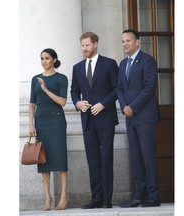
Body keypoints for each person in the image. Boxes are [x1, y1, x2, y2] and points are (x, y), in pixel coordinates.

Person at [70, 32, 119, 209]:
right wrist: (77, 102)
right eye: (82, 45)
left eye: (87, 45)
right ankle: (96, 198)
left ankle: (107, 199)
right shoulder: (77, 67)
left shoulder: (110, 64)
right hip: (88, 121)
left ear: (96, 44)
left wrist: (103, 104)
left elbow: (117, 89)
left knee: (106, 158)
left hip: (105, 119)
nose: (84, 49)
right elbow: (74, 89)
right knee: (93, 160)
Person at [117, 29, 161, 207]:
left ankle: (153, 196)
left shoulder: (148, 61)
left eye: (128, 40)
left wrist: (132, 107)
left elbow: (149, 88)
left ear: (137, 42)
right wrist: (124, 107)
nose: (125, 44)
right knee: (136, 157)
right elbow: (119, 89)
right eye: (123, 41)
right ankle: (139, 195)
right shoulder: (122, 64)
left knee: (147, 156)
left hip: (145, 117)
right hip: (130, 117)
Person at [28, 48, 69, 211]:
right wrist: (30, 124)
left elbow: (63, 102)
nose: (44, 61)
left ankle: (64, 195)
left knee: (60, 158)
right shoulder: (35, 79)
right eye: (42, 58)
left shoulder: (61, 78)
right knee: (43, 159)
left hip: (57, 121)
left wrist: (45, 89)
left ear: (54, 60)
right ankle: (47, 197)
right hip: (41, 121)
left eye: (47, 58)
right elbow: (32, 103)